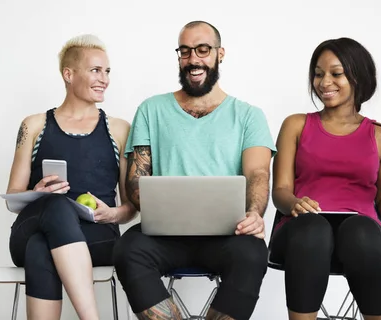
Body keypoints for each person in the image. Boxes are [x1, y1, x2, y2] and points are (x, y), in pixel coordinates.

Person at [112, 21, 276, 320]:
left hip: (227, 235)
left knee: (252, 253)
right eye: (185, 52)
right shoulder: (151, 109)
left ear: (220, 53)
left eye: (202, 50)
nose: (193, 59)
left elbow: (258, 174)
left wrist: (254, 213)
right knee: (127, 250)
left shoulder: (249, 116)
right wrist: (147, 200)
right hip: (164, 236)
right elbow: (137, 178)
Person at [269, 37, 381, 320]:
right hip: (301, 235)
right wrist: (295, 203)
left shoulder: (380, 135)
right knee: (314, 228)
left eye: (336, 73)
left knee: (359, 230)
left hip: (362, 241)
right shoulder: (296, 125)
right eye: (318, 73)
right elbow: (280, 191)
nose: (324, 82)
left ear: (358, 77)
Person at [4, 34, 136, 320]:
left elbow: (130, 207)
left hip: (97, 236)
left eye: (107, 71)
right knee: (58, 204)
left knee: (40, 248)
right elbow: (12, 197)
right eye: (95, 70)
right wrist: (37, 191)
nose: (104, 79)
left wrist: (111, 215)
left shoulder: (119, 129)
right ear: (69, 74)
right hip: (32, 226)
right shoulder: (34, 125)